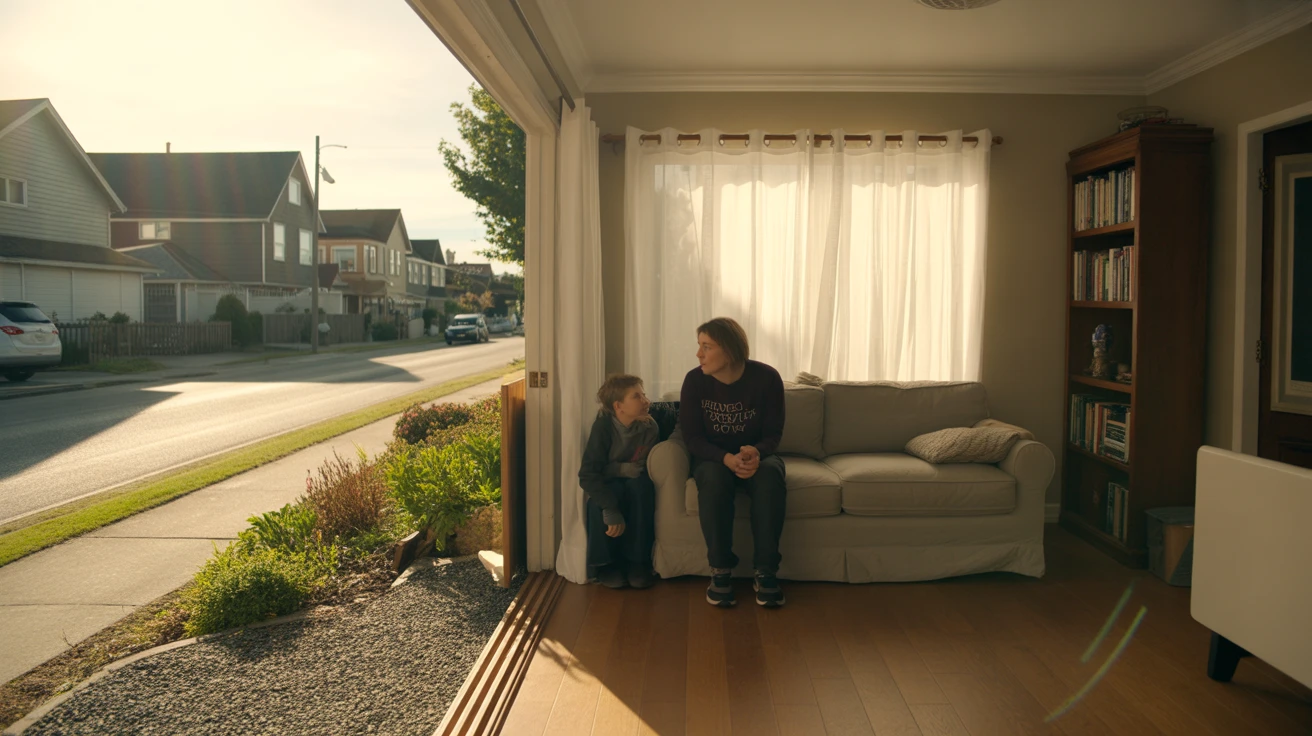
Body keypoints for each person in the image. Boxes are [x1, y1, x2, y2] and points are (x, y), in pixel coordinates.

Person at [679, 317, 787, 608]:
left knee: (769, 477)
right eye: (699, 346)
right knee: (713, 479)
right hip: (712, 457)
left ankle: (765, 571)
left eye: (706, 347)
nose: (699, 354)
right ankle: (721, 570)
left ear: (728, 349)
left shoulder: (767, 378)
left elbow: (774, 433)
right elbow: (692, 437)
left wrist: (756, 452)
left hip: (756, 455)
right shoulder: (694, 381)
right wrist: (725, 458)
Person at [578, 374, 659, 589]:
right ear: (618, 406)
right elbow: (588, 473)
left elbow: (640, 468)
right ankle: (605, 565)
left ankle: (638, 562)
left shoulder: (649, 428)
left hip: (635, 479)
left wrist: (625, 471)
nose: (645, 401)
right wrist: (610, 507)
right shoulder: (603, 428)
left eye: (643, 395)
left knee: (641, 490)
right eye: (637, 396)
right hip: (607, 480)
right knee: (599, 501)